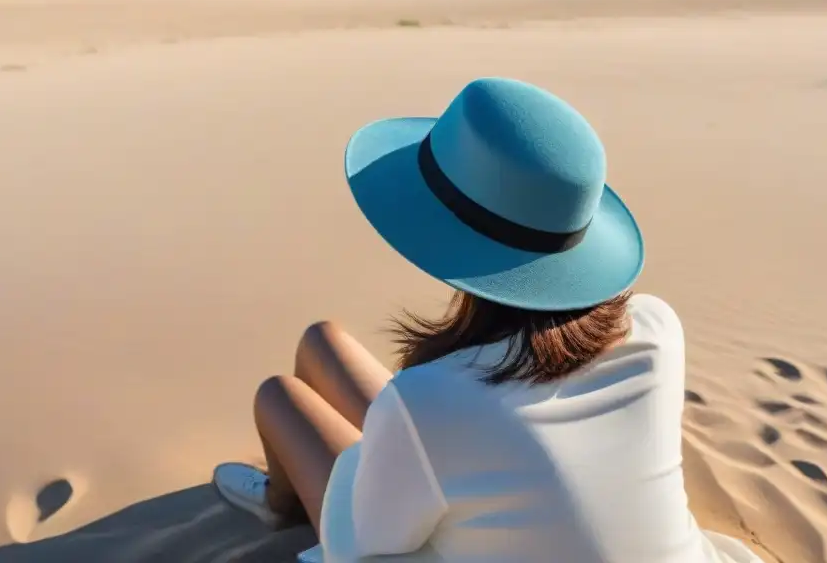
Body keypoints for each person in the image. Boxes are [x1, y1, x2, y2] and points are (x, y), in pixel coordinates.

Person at [213, 77, 760, 563]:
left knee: (279, 396)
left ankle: (278, 508)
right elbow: (477, 418)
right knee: (322, 341)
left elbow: (368, 541)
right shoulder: (657, 328)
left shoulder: (428, 400)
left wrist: (378, 453)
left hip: (413, 489)